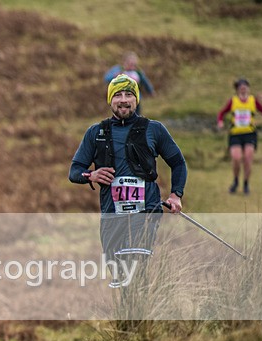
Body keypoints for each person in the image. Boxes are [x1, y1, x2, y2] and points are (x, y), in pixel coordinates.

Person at [68, 74, 187, 288]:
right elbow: (75, 170)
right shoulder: (96, 133)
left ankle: (139, 316)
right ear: (110, 100)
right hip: (112, 215)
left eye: (129, 94)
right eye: (118, 95)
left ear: (137, 99)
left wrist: (175, 195)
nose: (123, 99)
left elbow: (178, 162)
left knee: (136, 267)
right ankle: (129, 320)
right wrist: (91, 175)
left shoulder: (154, 129)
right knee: (120, 276)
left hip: (146, 211)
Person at [217, 78, 262, 194]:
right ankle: (236, 180)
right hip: (235, 134)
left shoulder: (252, 100)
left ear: (248, 89)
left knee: (248, 158)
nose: (243, 89)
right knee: (236, 158)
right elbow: (221, 112)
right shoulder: (233, 101)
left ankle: (246, 183)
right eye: (241, 88)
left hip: (249, 134)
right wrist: (220, 121)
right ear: (237, 90)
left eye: (245, 87)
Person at [103, 51, 155, 116]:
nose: (132, 66)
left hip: (135, 98)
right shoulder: (118, 69)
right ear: (125, 62)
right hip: (121, 98)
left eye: (134, 64)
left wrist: (150, 91)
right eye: (130, 64)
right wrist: (115, 75)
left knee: (136, 114)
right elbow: (106, 78)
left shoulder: (138, 72)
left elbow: (145, 81)